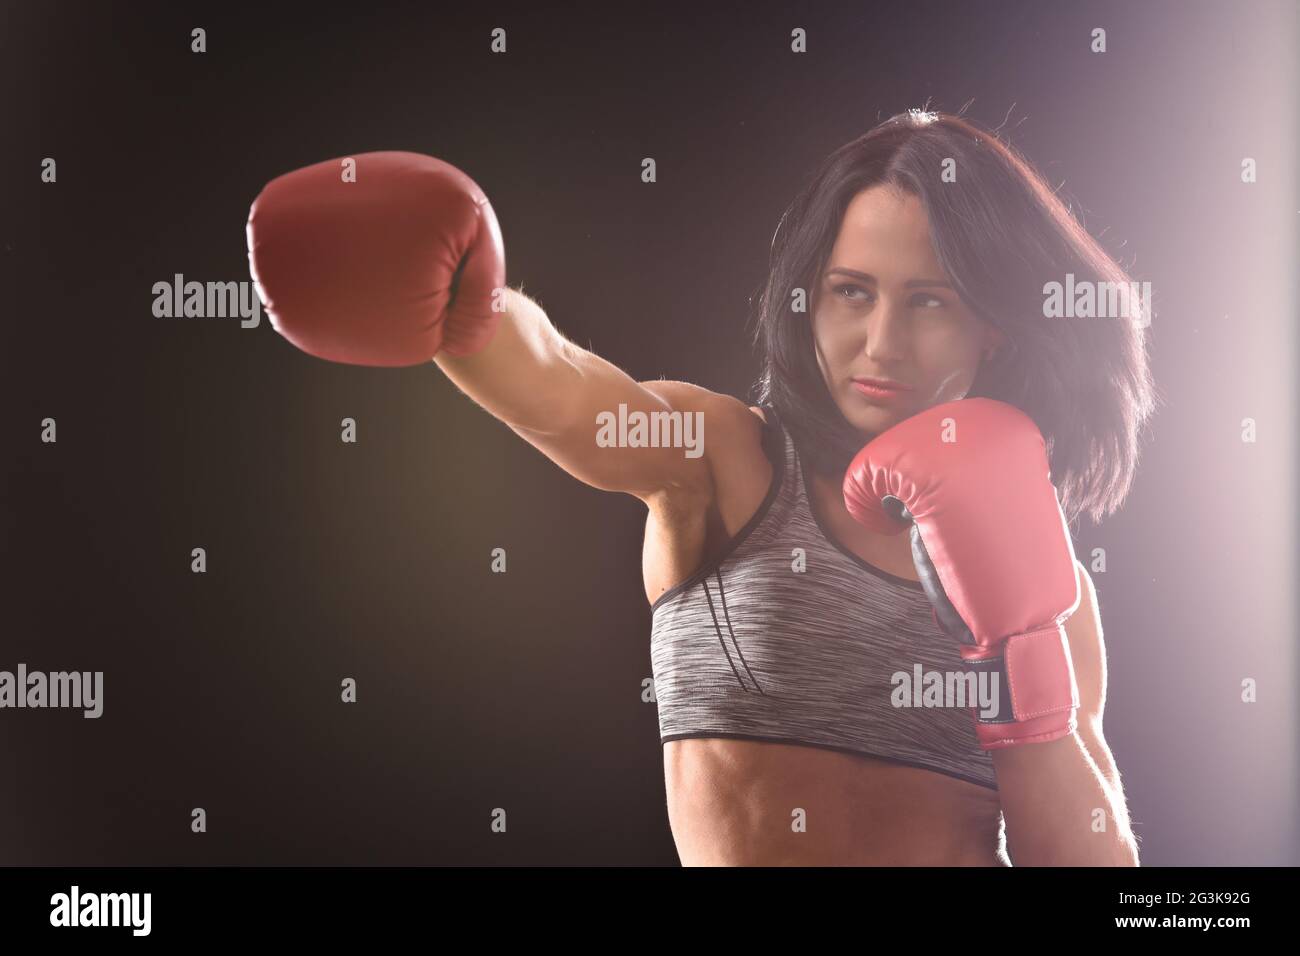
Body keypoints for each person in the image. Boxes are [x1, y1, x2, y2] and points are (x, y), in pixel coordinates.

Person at [247, 108, 1155, 866]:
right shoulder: (729, 461)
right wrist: (471, 314)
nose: (881, 343)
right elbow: (569, 393)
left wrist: (1022, 666)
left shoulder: (1046, 580)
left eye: (929, 301)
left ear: (992, 327)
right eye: (850, 292)